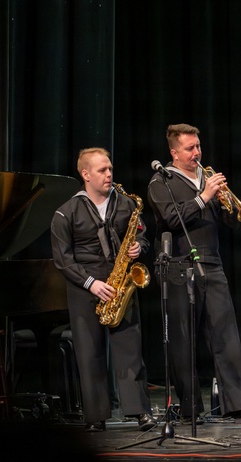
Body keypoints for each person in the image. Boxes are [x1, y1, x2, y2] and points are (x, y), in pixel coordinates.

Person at [147, 123, 241, 423]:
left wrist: (227, 205)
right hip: (177, 267)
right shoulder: (161, 182)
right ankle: (190, 409)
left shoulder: (206, 177)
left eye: (198, 146)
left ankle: (240, 404)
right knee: (182, 339)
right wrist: (204, 196)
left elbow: (232, 222)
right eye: (190, 148)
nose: (197, 153)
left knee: (225, 334)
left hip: (211, 262)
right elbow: (171, 218)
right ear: (174, 152)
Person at [50, 148, 156, 432]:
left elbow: (143, 236)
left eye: (110, 169)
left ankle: (139, 411)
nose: (109, 174)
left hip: (120, 282)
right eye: (102, 170)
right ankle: (96, 417)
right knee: (89, 352)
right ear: (85, 175)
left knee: (130, 349)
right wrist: (91, 283)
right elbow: (63, 259)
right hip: (86, 285)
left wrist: (139, 247)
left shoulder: (125, 204)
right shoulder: (65, 212)